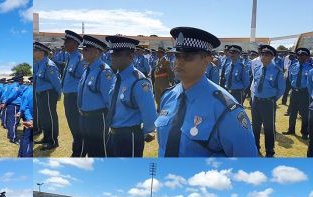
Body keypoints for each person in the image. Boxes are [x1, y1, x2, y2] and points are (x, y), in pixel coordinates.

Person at [155, 27, 257, 157]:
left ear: (207, 59)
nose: (179, 61)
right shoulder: (168, 96)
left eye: (187, 56)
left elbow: (246, 162)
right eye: (177, 55)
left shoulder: (226, 109)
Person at [105, 35, 157, 157]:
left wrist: (143, 133)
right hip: (112, 134)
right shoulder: (116, 77)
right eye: (112, 54)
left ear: (130, 56)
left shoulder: (139, 82)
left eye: (117, 54)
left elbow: (150, 116)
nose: (112, 57)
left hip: (129, 138)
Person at [77, 35, 114, 157]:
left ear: (97, 52)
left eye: (86, 49)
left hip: (98, 119)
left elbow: (109, 100)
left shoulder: (104, 72)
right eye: (83, 48)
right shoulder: (88, 69)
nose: (83, 51)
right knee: (90, 150)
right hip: (84, 117)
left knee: (100, 151)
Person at [250, 44, 285, 157]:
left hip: (268, 103)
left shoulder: (277, 71)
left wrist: (272, 98)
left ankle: (270, 151)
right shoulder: (257, 68)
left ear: (272, 57)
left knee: (269, 128)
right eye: (262, 54)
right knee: (255, 126)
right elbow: (255, 83)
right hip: (256, 101)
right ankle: (256, 147)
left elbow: (281, 89)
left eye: (266, 55)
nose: (263, 57)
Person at [61, 30, 85, 157]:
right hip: (68, 96)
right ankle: (77, 149)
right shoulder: (70, 58)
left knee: (77, 127)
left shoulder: (80, 60)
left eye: (67, 42)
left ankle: (79, 151)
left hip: (76, 97)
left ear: (75, 43)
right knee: (72, 126)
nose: (64, 44)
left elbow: (84, 80)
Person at [33, 41, 61, 151]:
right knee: (44, 118)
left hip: (49, 94)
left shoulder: (49, 65)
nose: (33, 52)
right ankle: (46, 137)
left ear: (41, 53)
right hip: (40, 94)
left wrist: (58, 95)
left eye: (35, 50)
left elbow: (57, 82)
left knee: (50, 118)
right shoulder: (39, 63)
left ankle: (53, 141)